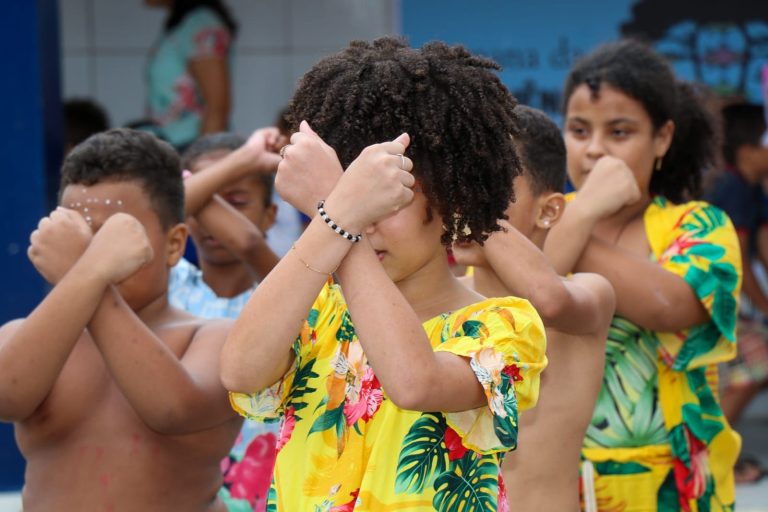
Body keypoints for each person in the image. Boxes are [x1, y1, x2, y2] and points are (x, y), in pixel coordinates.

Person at [220, 37, 548, 511]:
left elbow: (415, 383)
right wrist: (338, 217)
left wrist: (339, 218)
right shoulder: (314, 307)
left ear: (452, 201)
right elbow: (240, 372)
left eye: (387, 198)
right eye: (353, 199)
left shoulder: (506, 325)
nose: (366, 220)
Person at [544, 40, 742, 511]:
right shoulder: (545, 220)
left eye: (619, 132)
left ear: (663, 138)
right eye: (578, 130)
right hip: (554, 483)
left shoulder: (699, 225)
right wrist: (570, 219)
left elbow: (666, 304)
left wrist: (575, 218)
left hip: (675, 490)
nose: (594, 150)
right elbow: (517, 305)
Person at [0, 128, 241, 511]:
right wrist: (90, 274)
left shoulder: (215, 337)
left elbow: (172, 409)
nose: (94, 250)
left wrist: (88, 274)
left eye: (114, 234)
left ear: (175, 244)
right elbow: (6, 396)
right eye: (80, 233)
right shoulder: (25, 336)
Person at [451, 105, 615, 511]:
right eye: (457, 184)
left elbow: (548, 300)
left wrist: (477, 209)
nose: (463, 202)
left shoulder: (590, 293)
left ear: (549, 210)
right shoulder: (441, 300)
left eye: (490, 187)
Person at [171, 130, 282, 510]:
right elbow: (155, 215)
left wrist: (195, 193)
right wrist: (245, 161)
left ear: (271, 215)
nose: (218, 221)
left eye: (235, 203)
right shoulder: (162, 289)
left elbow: (249, 244)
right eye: (203, 205)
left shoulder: (293, 289)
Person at [705, 103, 768, 483]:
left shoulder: (748, 188)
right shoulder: (733, 189)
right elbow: (740, 265)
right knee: (754, 366)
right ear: (748, 151)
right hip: (714, 304)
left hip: (725, 306)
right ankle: (712, 459)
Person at [144, 0, 236, 149]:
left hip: (190, 148)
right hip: (172, 145)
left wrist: (203, 164)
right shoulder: (185, 24)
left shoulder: (202, 24)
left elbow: (217, 108)